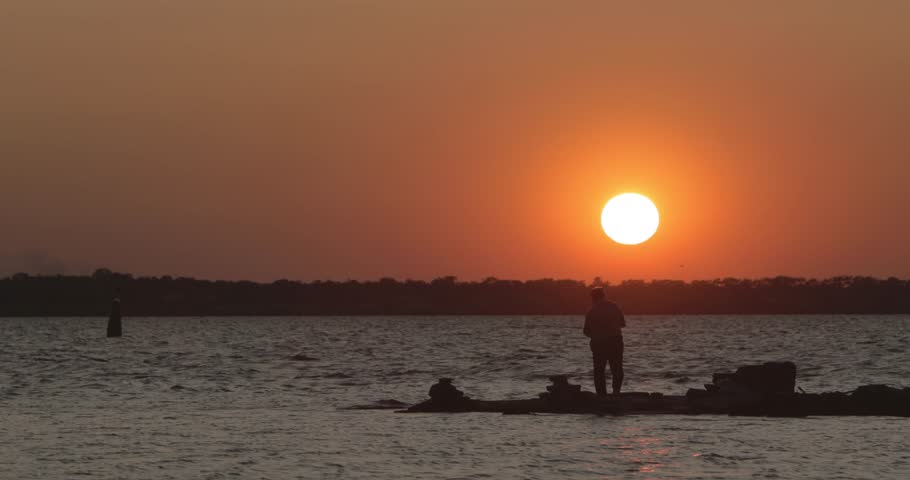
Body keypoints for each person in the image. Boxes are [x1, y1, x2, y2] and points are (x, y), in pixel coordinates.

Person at [583, 287, 625, 396]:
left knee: (599, 371)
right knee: (617, 368)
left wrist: (596, 334)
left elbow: (586, 331)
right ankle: (616, 393)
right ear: (604, 295)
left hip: (599, 343)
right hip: (615, 341)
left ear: (592, 298)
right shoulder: (614, 307)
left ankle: (601, 395)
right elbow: (623, 324)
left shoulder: (591, 311)